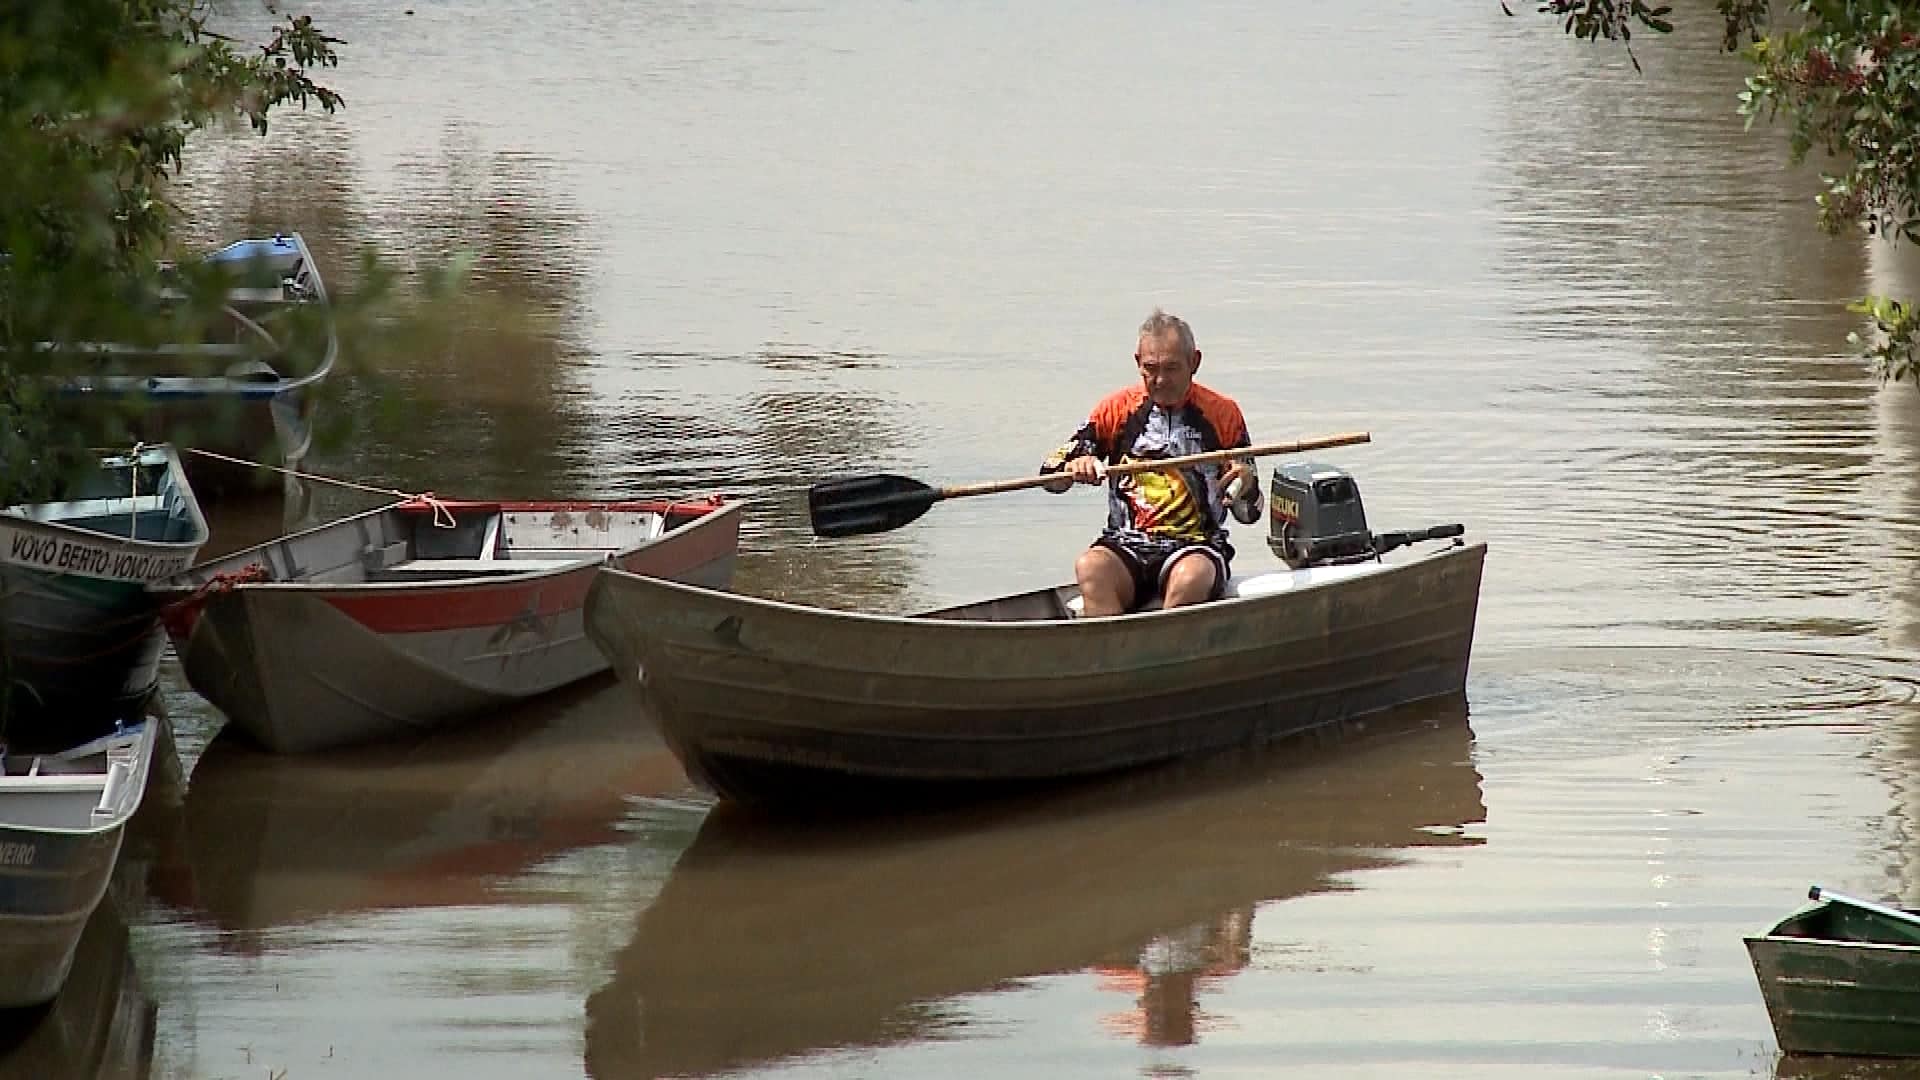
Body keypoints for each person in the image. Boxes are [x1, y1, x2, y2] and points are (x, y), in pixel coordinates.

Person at [1041, 308, 1263, 617]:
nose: (1160, 380)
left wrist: (1246, 484)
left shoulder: (1223, 413)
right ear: (1137, 364)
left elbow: (1250, 513)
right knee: (1090, 566)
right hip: (1125, 544)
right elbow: (1049, 476)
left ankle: (1169, 652)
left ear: (1194, 363)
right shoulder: (1116, 410)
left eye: (1172, 368)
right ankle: (1111, 656)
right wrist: (1074, 467)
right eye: (1150, 368)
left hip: (1196, 546)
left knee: (1191, 578)